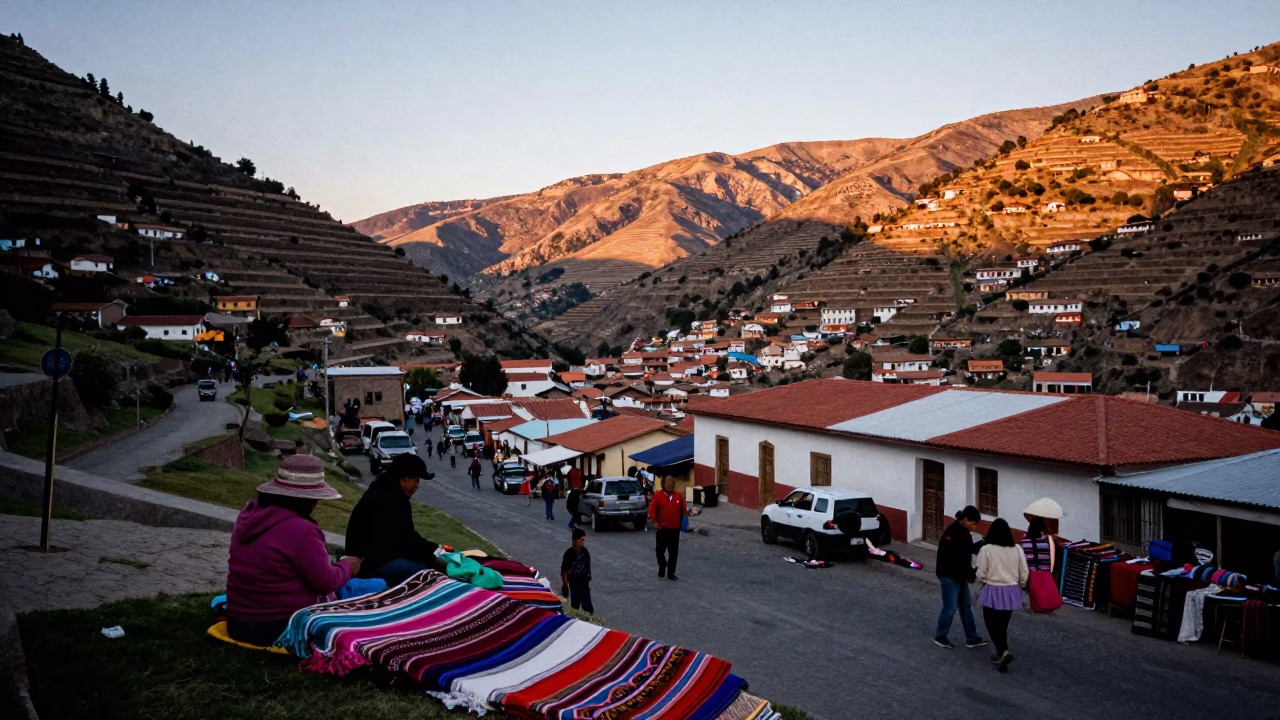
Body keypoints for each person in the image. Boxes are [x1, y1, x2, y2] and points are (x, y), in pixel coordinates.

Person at [226, 455, 358, 646]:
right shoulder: (301, 529)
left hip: (238, 622)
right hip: (278, 628)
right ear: (308, 500)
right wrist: (348, 566)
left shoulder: (250, 516)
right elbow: (325, 582)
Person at [345, 454, 445, 586]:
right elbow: (406, 542)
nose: (417, 486)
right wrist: (434, 560)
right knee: (422, 572)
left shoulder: (384, 490)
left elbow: (406, 535)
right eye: (416, 480)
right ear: (403, 480)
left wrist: (432, 549)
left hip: (379, 557)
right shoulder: (390, 499)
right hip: (369, 566)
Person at [976, 518, 1029, 672]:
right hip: (1011, 590)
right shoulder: (1017, 549)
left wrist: (980, 583)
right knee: (1002, 625)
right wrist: (1022, 584)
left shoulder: (986, 549)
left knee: (990, 624)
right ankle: (1001, 655)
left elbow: (981, 572)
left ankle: (1002, 651)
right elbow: (1024, 571)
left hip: (992, 588)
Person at [934, 506, 988, 650]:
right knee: (950, 607)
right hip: (949, 576)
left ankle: (972, 637)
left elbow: (967, 550)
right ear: (965, 520)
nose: (975, 527)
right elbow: (962, 558)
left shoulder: (958, 531)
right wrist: (971, 575)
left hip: (958, 575)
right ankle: (940, 636)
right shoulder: (958, 533)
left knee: (965, 606)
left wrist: (982, 544)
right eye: (974, 523)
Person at [649, 475, 688, 580]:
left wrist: (691, 513)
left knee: (673, 553)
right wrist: (655, 522)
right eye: (668, 484)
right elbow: (651, 510)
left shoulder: (678, 496)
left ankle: (671, 573)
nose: (671, 486)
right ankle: (662, 565)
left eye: (672, 484)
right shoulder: (658, 496)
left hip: (675, 529)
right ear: (664, 484)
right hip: (662, 529)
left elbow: (685, 510)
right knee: (659, 551)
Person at [560, 528, 593, 614]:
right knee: (575, 607)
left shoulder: (585, 552)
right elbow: (564, 571)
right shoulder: (569, 554)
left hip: (584, 583)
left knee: (588, 608)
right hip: (574, 584)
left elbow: (587, 564)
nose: (583, 542)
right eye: (581, 540)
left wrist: (588, 574)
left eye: (583, 540)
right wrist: (565, 585)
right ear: (575, 540)